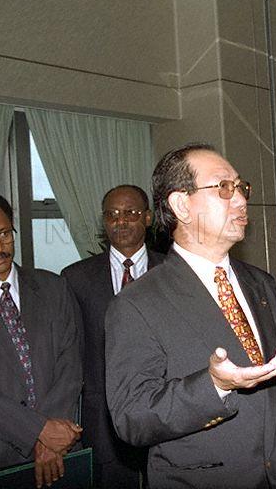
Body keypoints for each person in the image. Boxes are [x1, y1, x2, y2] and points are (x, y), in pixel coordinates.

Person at [105, 144, 276, 489]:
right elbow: (132, 418)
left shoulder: (261, 284)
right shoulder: (136, 303)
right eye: (223, 188)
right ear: (181, 205)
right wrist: (215, 386)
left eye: (240, 187)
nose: (241, 200)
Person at [0, 191, 82, 489]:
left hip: (61, 451)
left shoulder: (53, 287)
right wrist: (37, 430)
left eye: (4, 234)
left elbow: (70, 364)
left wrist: (51, 438)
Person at [62, 184, 164, 488]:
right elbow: (71, 355)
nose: (121, 221)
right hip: (104, 420)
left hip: (165, 410)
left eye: (130, 213)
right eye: (112, 214)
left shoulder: (175, 271)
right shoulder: (76, 278)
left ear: (147, 218)